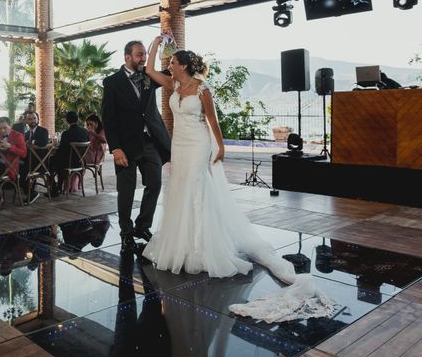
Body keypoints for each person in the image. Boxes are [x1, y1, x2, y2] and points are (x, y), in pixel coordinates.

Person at [141, 34, 336, 323]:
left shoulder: (202, 89)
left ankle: (200, 247)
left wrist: (220, 146)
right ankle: (180, 245)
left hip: (198, 145)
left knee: (196, 190)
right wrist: (156, 43)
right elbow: (148, 70)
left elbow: (212, 120)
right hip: (179, 145)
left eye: (172, 62)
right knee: (180, 191)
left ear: (184, 65)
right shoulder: (174, 84)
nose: (168, 66)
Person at [101, 40, 171, 253]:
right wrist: (115, 148)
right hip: (125, 146)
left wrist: (165, 44)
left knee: (155, 184)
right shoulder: (112, 82)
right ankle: (126, 233)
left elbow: (172, 72)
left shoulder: (150, 77)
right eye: (139, 55)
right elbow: (108, 118)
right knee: (126, 192)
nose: (142, 59)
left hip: (151, 142)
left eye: (144, 55)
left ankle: (143, 226)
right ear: (127, 57)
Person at [51, 111, 89, 195]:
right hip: (81, 162)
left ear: (67, 121)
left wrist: (53, 153)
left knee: (51, 162)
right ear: (77, 119)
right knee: (59, 161)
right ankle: (59, 187)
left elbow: (61, 150)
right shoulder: (85, 132)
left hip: (70, 163)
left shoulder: (66, 133)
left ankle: (56, 188)